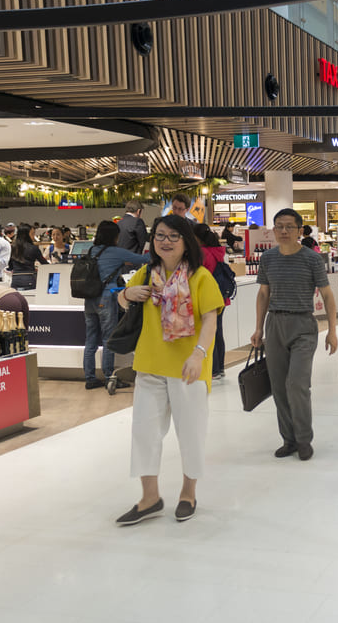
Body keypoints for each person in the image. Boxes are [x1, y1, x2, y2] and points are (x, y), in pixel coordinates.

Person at [113, 214, 223, 525]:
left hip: (188, 369)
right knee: (145, 433)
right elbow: (125, 304)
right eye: (160, 235)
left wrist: (199, 355)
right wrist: (125, 295)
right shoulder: (146, 274)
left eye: (174, 236)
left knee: (191, 434)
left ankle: (188, 492)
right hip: (149, 365)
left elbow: (211, 319)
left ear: (187, 242)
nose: (166, 241)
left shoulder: (200, 277)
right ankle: (150, 498)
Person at [249, 208, 338, 462]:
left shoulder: (312, 259)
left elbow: (328, 295)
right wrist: (258, 327)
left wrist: (332, 331)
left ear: (300, 231)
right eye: (279, 226)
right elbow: (264, 294)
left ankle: (303, 439)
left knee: (297, 383)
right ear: (273, 230)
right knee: (278, 386)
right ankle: (288, 439)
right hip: (275, 324)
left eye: (289, 226)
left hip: (303, 326)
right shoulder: (267, 258)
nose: (284, 231)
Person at [83, 220, 150, 390]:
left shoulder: (92, 250)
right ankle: (109, 377)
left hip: (89, 299)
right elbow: (143, 259)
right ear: (114, 236)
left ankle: (90, 378)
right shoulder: (116, 252)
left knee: (90, 340)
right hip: (106, 298)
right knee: (107, 339)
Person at [194, 224, 231, 380]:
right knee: (218, 332)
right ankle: (220, 368)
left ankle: (213, 369)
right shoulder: (219, 251)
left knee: (210, 333)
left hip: (208, 298)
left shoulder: (202, 254)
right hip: (221, 297)